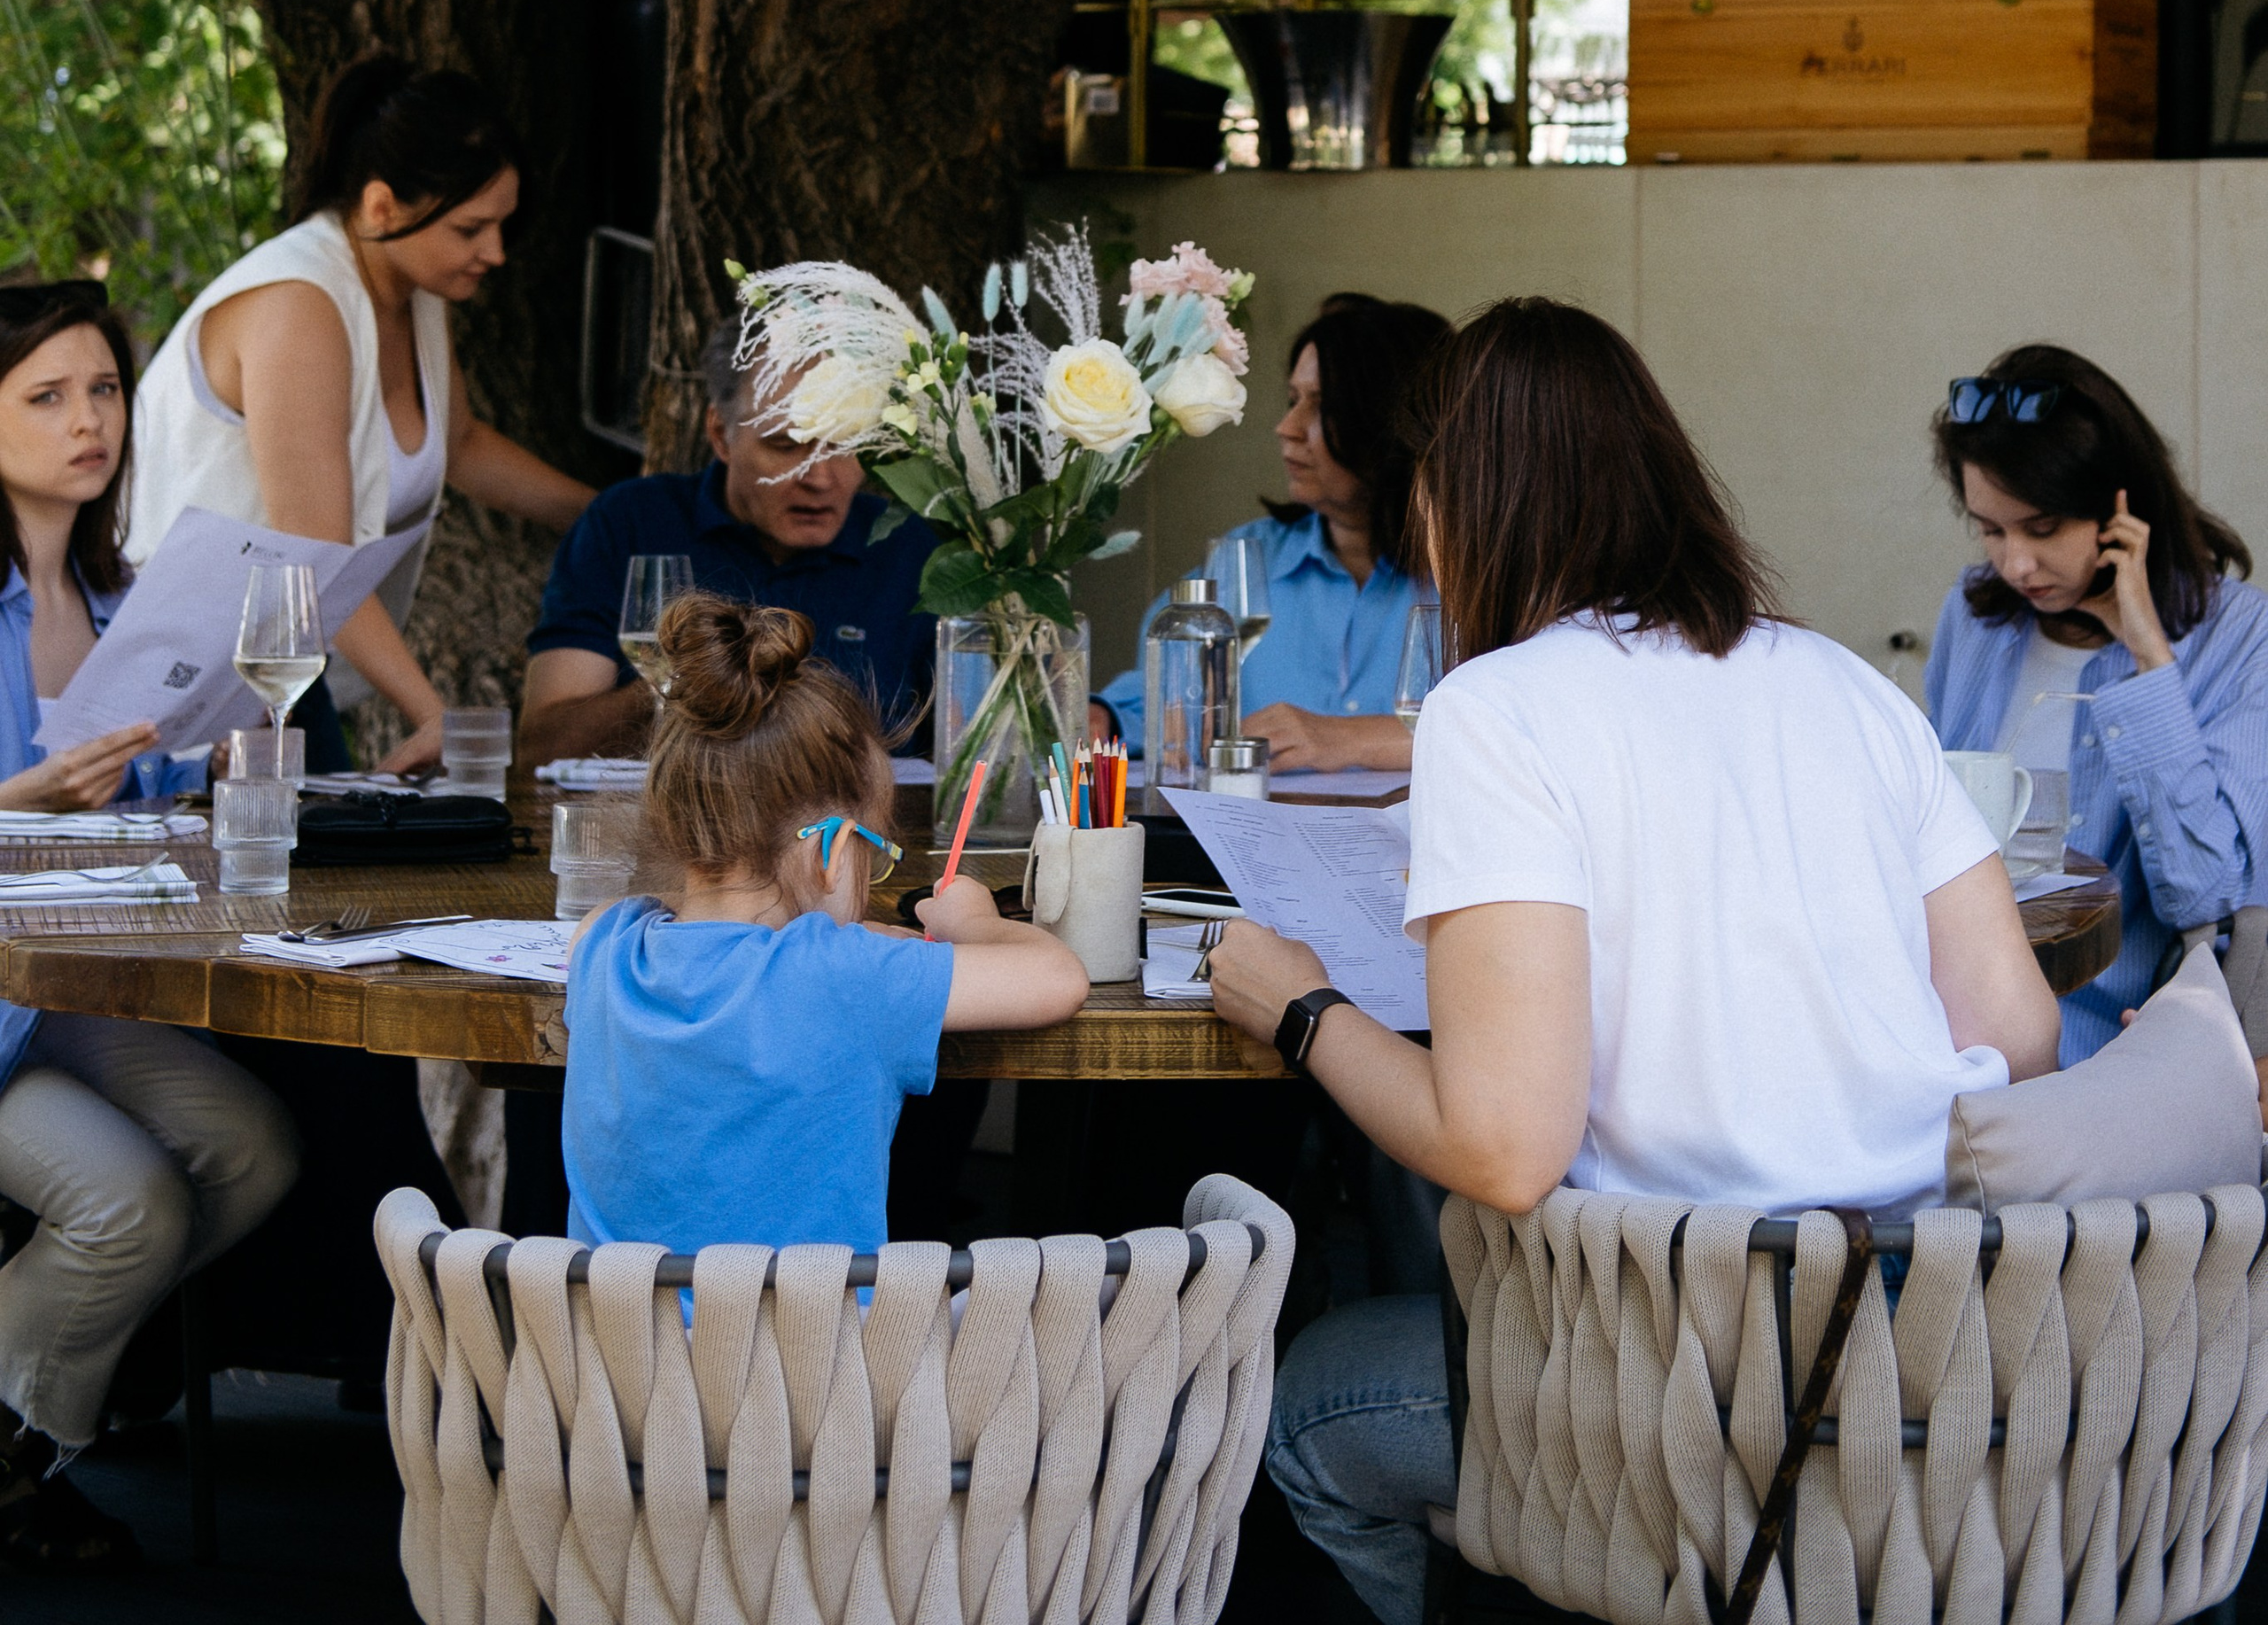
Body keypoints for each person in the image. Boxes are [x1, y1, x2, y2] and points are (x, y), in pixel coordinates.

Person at [1208, 297, 2058, 1625]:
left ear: (1455, 506)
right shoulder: (1844, 683)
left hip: (1678, 1371)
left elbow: (1503, 1150)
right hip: (1930, 1349)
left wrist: (1299, 1005)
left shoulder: (1497, 710)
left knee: (1301, 1402)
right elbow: (2017, 1031)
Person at [0, 284, 299, 1571]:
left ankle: (33, 1413)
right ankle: (23, 1458)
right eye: (47, 397)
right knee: (129, 1206)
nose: (90, 422)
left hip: (70, 989)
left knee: (253, 1148)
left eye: (106, 390)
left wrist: (221, 772)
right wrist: (22, 797)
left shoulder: (132, 607)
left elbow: (153, 812)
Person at [561, 593, 1085, 1257]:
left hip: (616, 1354)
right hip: (807, 1358)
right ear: (833, 853)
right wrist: (972, 918)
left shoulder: (604, 943)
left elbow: (707, 930)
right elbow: (1058, 977)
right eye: (877, 854)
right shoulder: (845, 975)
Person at [131, 56, 594, 771]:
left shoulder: (413, 287)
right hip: (191, 687)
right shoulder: (298, 307)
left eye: (501, 225)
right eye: (471, 228)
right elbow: (320, 554)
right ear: (382, 207)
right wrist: (433, 714)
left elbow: (461, 445)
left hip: (277, 672)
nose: (495, 252)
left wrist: (608, 512)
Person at [1924, 343, 2268, 1060]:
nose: (2015, 563)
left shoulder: (2238, 635)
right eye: (1991, 529)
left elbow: (2206, 899)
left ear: (2122, 509)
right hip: (1947, 1024)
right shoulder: (1976, 616)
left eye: (2043, 529)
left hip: (2109, 1042)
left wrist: (2148, 658)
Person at [521, 319, 938, 768]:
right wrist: (679, 686)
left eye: (844, 444)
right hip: (667, 833)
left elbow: (976, 766)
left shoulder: (913, 548)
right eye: (786, 445)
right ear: (721, 434)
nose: (819, 478)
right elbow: (542, 749)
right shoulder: (631, 523)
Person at [1091, 292, 1449, 773]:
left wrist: (1348, 739)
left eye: (1321, 407)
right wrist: (1104, 717)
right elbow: (1161, 698)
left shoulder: (1479, 575)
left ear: (1395, 422)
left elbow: (1525, 728)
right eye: (1292, 400)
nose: (1287, 427)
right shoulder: (1242, 562)